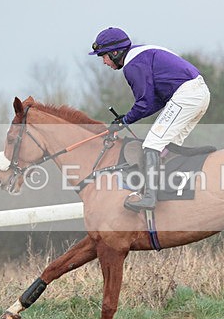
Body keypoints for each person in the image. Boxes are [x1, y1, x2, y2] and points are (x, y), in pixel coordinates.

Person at [89, 27, 210, 211]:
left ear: (115, 52)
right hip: (198, 94)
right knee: (169, 147)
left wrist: (124, 121)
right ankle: (171, 193)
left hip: (187, 96)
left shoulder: (132, 65)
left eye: (103, 56)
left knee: (152, 144)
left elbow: (144, 103)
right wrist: (126, 118)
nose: (104, 62)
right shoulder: (140, 55)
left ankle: (149, 198)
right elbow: (153, 102)